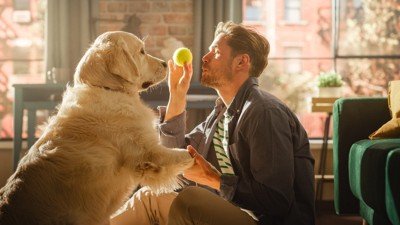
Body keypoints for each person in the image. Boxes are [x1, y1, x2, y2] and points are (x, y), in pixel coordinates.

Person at [111, 21, 315, 225]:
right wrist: (178, 95)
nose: (205, 57)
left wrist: (215, 179)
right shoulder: (223, 114)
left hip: (266, 221)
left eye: (215, 52)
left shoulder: (263, 112)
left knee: (189, 200)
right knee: (150, 197)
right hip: (238, 213)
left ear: (241, 62)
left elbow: (277, 201)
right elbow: (173, 160)